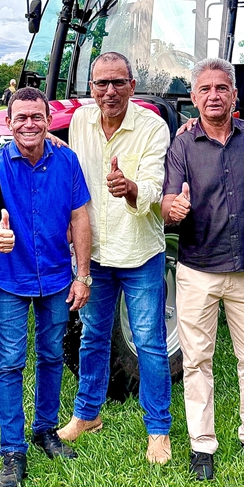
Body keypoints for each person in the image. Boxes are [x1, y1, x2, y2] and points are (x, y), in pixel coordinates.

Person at [0, 87, 92, 487]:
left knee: (52, 354)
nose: (28, 124)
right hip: (10, 280)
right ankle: (12, 449)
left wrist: (83, 275)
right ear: (8, 122)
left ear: (47, 119)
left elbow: (80, 219)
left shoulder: (68, 160)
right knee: (9, 363)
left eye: (35, 117)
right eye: (20, 117)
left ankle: (44, 430)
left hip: (58, 277)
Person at [161, 58, 244, 481]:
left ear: (235, 95)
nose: (213, 96)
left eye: (221, 88)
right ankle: (202, 445)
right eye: (205, 89)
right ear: (193, 98)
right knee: (197, 361)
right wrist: (171, 207)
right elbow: (167, 200)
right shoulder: (182, 145)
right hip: (198, 269)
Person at [60, 51, 173, 464]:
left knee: (149, 342)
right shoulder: (78, 122)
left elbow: (155, 190)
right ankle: (87, 414)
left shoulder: (152, 127)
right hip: (96, 255)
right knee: (92, 336)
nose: (109, 92)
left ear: (132, 85)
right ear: (91, 87)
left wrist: (128, 188)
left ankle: (158, 428)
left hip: (139, 250)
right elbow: (75, 182)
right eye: (101, 84)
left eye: (118, 83)